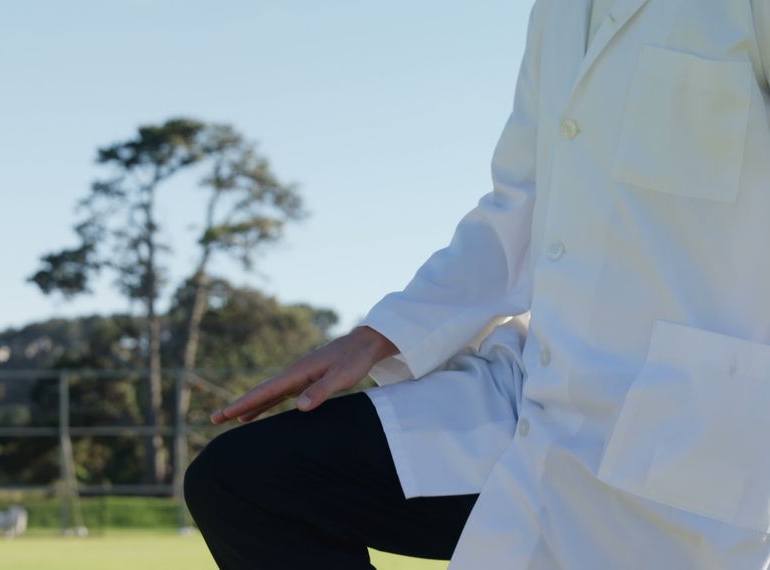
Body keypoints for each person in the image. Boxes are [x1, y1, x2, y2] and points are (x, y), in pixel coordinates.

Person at [184, 0, 770, 568]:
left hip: (693, 417)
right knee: (248, 481)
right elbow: (518, 207)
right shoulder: (557, 11)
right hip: (534, 393)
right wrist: (379, 335)